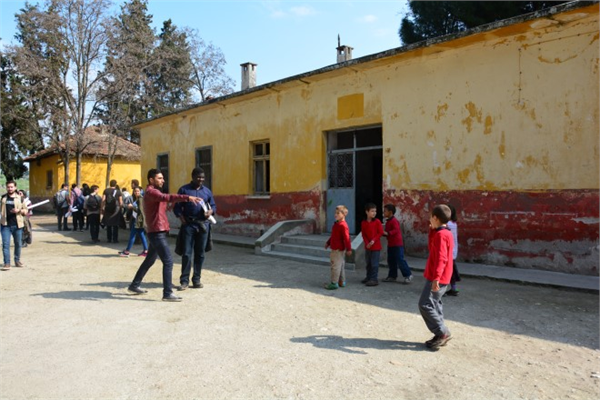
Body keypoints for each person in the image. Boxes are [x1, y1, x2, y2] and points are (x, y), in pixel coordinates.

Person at [128, 168, 202, 302]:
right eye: (160, 178)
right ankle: (167, 293)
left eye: (163, 178)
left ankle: (134, 285)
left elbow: (163, 201)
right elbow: (166, 197)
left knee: (149, 260)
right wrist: (187, 198)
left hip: (156, 231)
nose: (163, 180)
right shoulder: (152, 192)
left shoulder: (152, 192)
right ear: (151, 180)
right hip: (156, 232)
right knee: (168, 261)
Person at [174, 167, 216, 290]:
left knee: (200, 254)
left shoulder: (207, 192)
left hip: (203, 226)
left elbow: (213, 205)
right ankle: (184, 281)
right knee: (186, 253)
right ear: (192, 177)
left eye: (202, 177)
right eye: (198, 177)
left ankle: (196, 279)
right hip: (189, 225)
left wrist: (211, 211)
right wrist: (181, 218)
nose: (201, 180)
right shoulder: (184, 190)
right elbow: (177, 207)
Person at [419, 204, 454, 350]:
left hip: (437, 276)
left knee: (425, 304)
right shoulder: (444, 233)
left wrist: (436, 278)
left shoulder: (441, 235)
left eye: (431, 218)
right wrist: (431, 230)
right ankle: (441, 334)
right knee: (435, 304)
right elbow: (432, 248)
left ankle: (442, 332)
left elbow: (441, 258)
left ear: (435, 217)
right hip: (441, 276)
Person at [1, 181, 29, 271]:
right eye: (8, 187)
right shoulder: (3, 198)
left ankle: (17, 261)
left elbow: (26, 210)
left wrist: (19, 211)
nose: (10, 189)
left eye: (11, 187)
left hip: (17, 225)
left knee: (18, 244)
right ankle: (7, 263)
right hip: (5, 225)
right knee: (5, 245)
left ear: (15, 187)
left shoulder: (20, 198)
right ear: (6, 187)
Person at [382, 204, 412, 283]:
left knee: (400, 260)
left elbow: (395, 230)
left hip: (397, 244)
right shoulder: (388, 221)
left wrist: (387, 233)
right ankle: (392, 276)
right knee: (391, 261)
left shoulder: (394, 221)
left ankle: (408, 275)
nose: (383, 213)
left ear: (390, 212)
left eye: (385, 211)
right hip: (391, 244)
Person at [324, 205, 352, 290]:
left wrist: (349, 249)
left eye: (338, 213)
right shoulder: (337, 224)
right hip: (336, 248)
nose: (335, 215)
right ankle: (341, 281)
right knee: (340, 266)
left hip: (337, 249)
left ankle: (334, 283)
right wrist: (328, 243)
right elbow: (333, 236)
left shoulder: (343, 225)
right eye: (335, 213)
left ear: (343, 214)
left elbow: (347, 238)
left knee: (335, 266)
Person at [119, 186, 148, 257]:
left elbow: (140, 210)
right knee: (141, 235)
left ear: (141, 191)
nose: (136, 192)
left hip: (138, 220)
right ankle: (146, 251)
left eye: (138, 191)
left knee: (132, 235)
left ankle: (127, 251)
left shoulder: (140, 199)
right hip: (137, 219)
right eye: (135, 191)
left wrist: (132, 207)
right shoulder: (137, 199)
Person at [361, 203, 383, 286]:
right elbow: (363, 234)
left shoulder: (377, 222)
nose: (374, 213)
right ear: (367, 212)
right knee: (368, 263)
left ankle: (374, 279)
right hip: (368, 247)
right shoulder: (364, 222)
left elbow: (380, 232)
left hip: (376, 246)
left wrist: (373, 241)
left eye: (375, 211)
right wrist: (367, 243)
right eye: (372, 211)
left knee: (374, 264)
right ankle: (368, 277)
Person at [445, 205, 461, 296]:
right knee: (452, 271)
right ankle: (453, 288)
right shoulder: (454, 223)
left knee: (446, 271)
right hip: (453, 251)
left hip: (448, 251)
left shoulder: (448, 225)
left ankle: (441, 289)